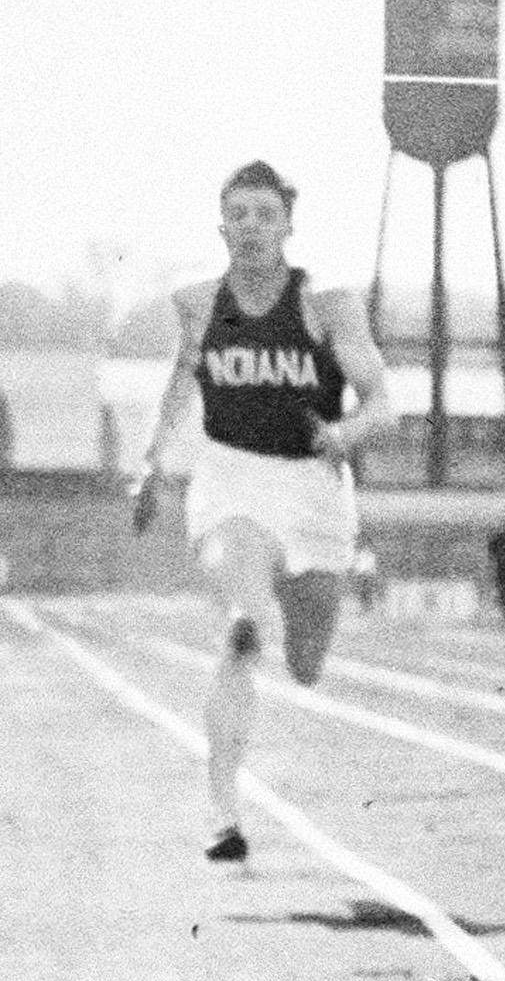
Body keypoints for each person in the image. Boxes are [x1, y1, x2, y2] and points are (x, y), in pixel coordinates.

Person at [133, 161, 395, 863]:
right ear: (222, 227)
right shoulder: (197, 303)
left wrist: (344, 434)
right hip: (231, 480)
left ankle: (278, 607)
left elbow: (381, 405)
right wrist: (152, 462)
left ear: (287, 228)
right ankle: (224, 817)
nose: (251, 227)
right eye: (238, 214)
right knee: (242, 627)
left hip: (313, 486)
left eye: (264, 215)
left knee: (306, 662)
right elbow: (180, 385)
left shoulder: (328, 306)